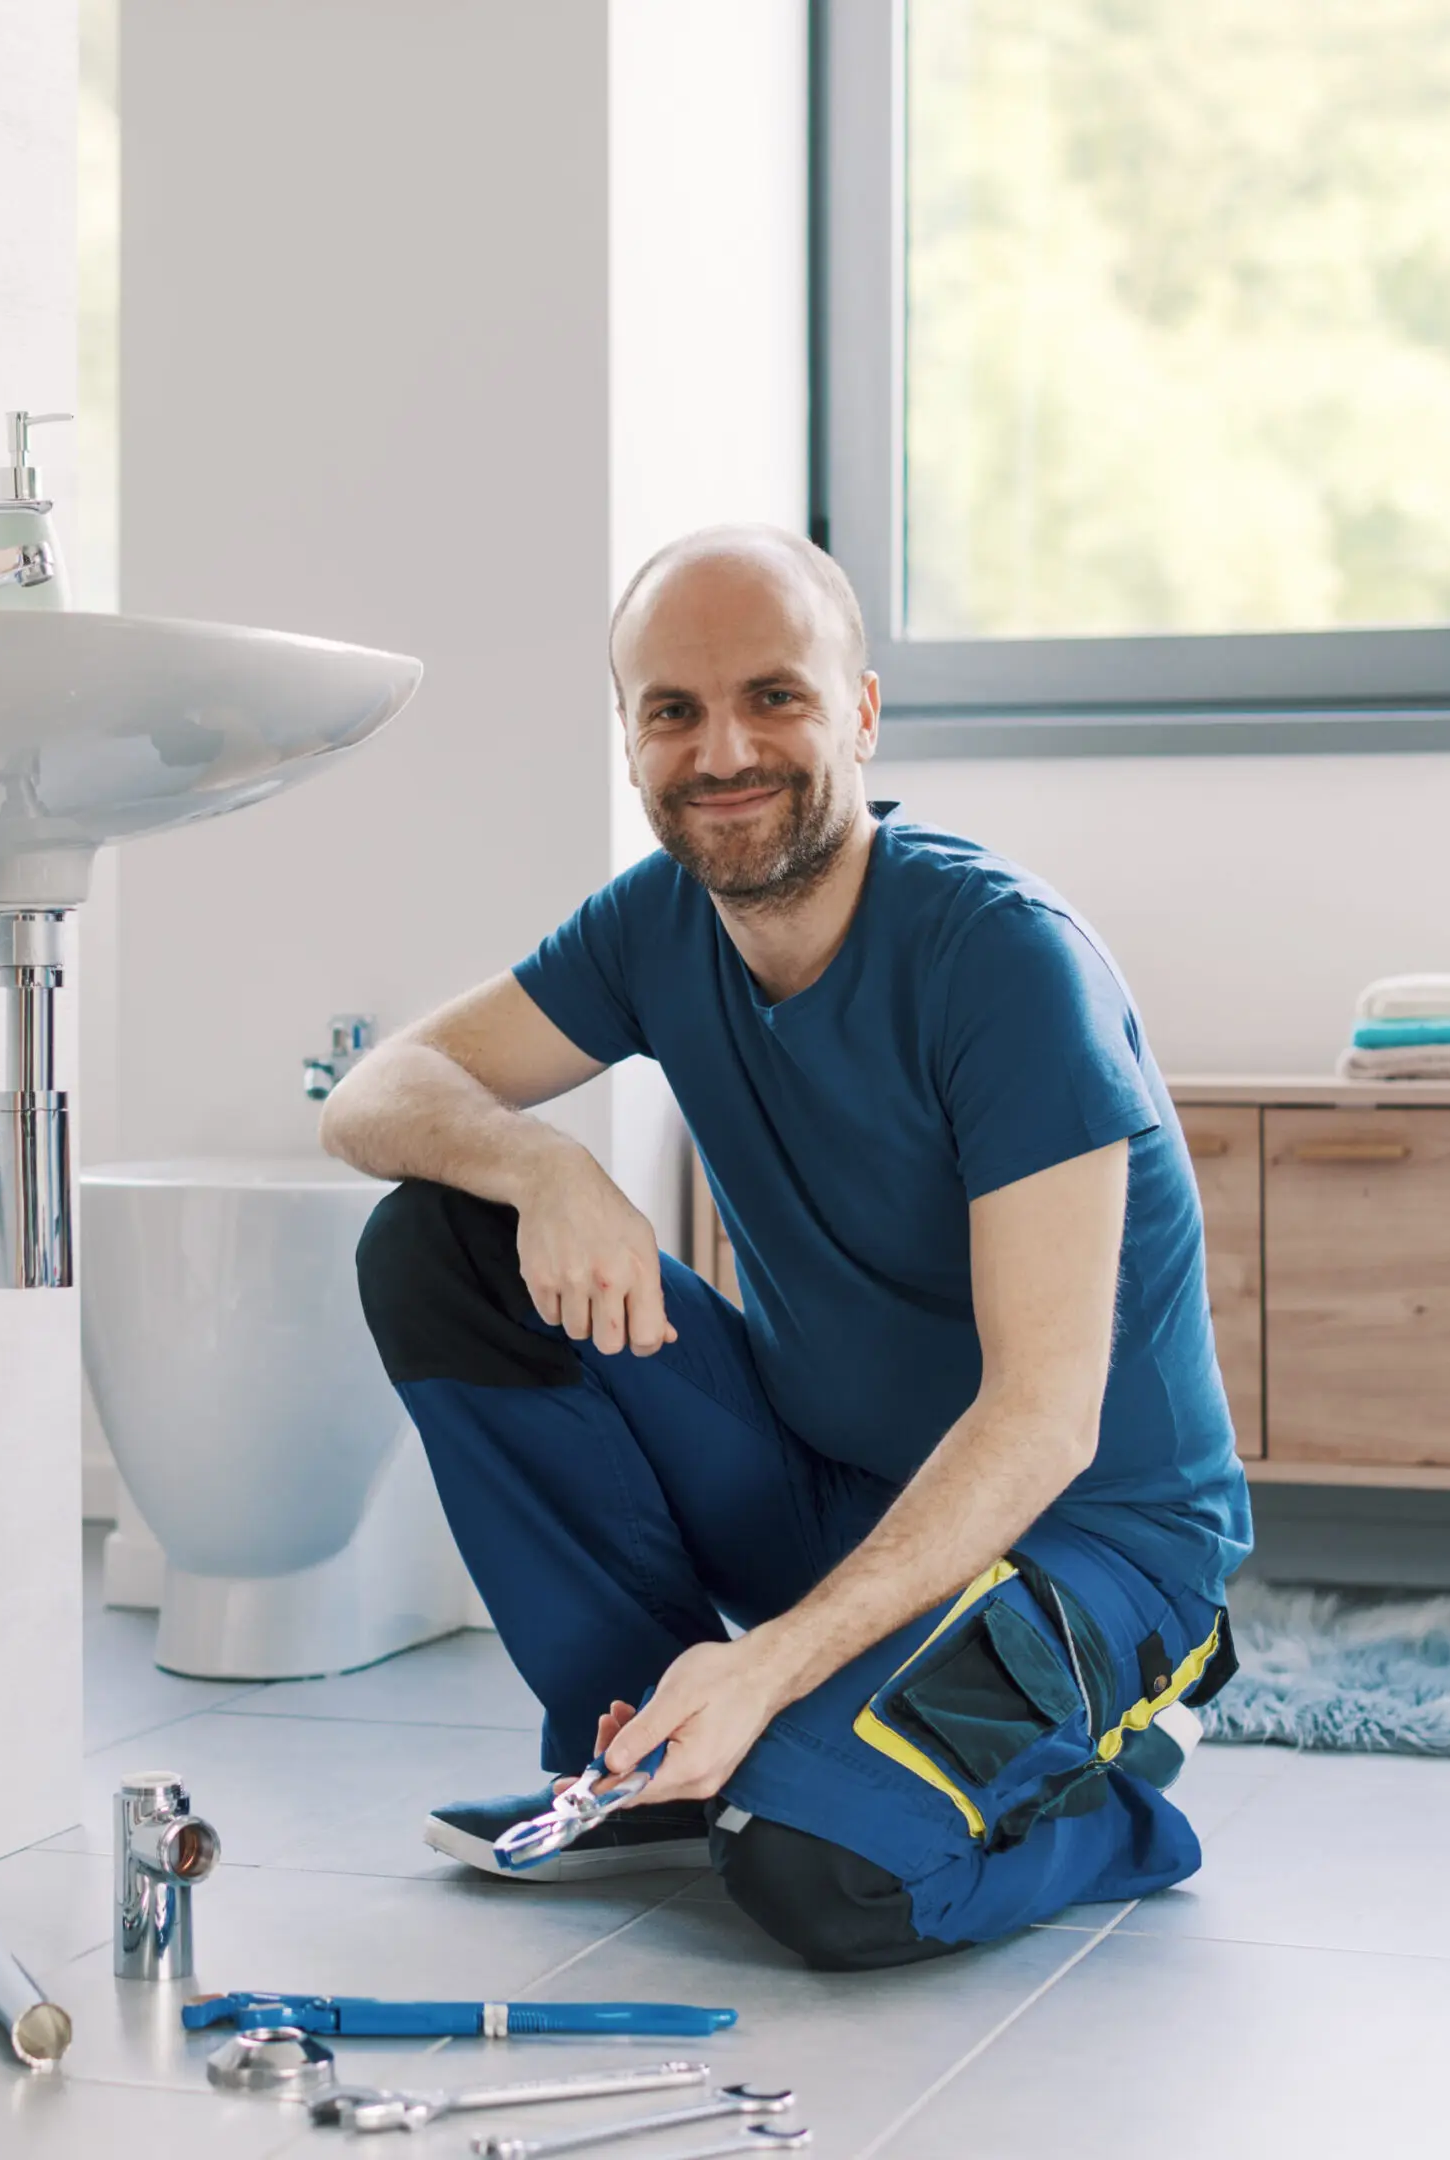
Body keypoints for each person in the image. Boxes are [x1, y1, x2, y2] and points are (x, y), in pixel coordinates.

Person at [316, 525, 1252, 1970]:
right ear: (630, 741)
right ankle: (643, 1759)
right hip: (827, 1487)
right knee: (442, 1237)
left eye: (776, 697)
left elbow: (1043, 1419)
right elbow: (380, 1093)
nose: (723, 749)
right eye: (673, 711)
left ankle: (1117, 1813)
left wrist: (772, 1662)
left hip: (1082, 1541)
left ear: (861, 713)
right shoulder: (658, 924)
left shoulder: (1003, 962)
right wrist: (543, 1163)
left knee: (824, 1877)